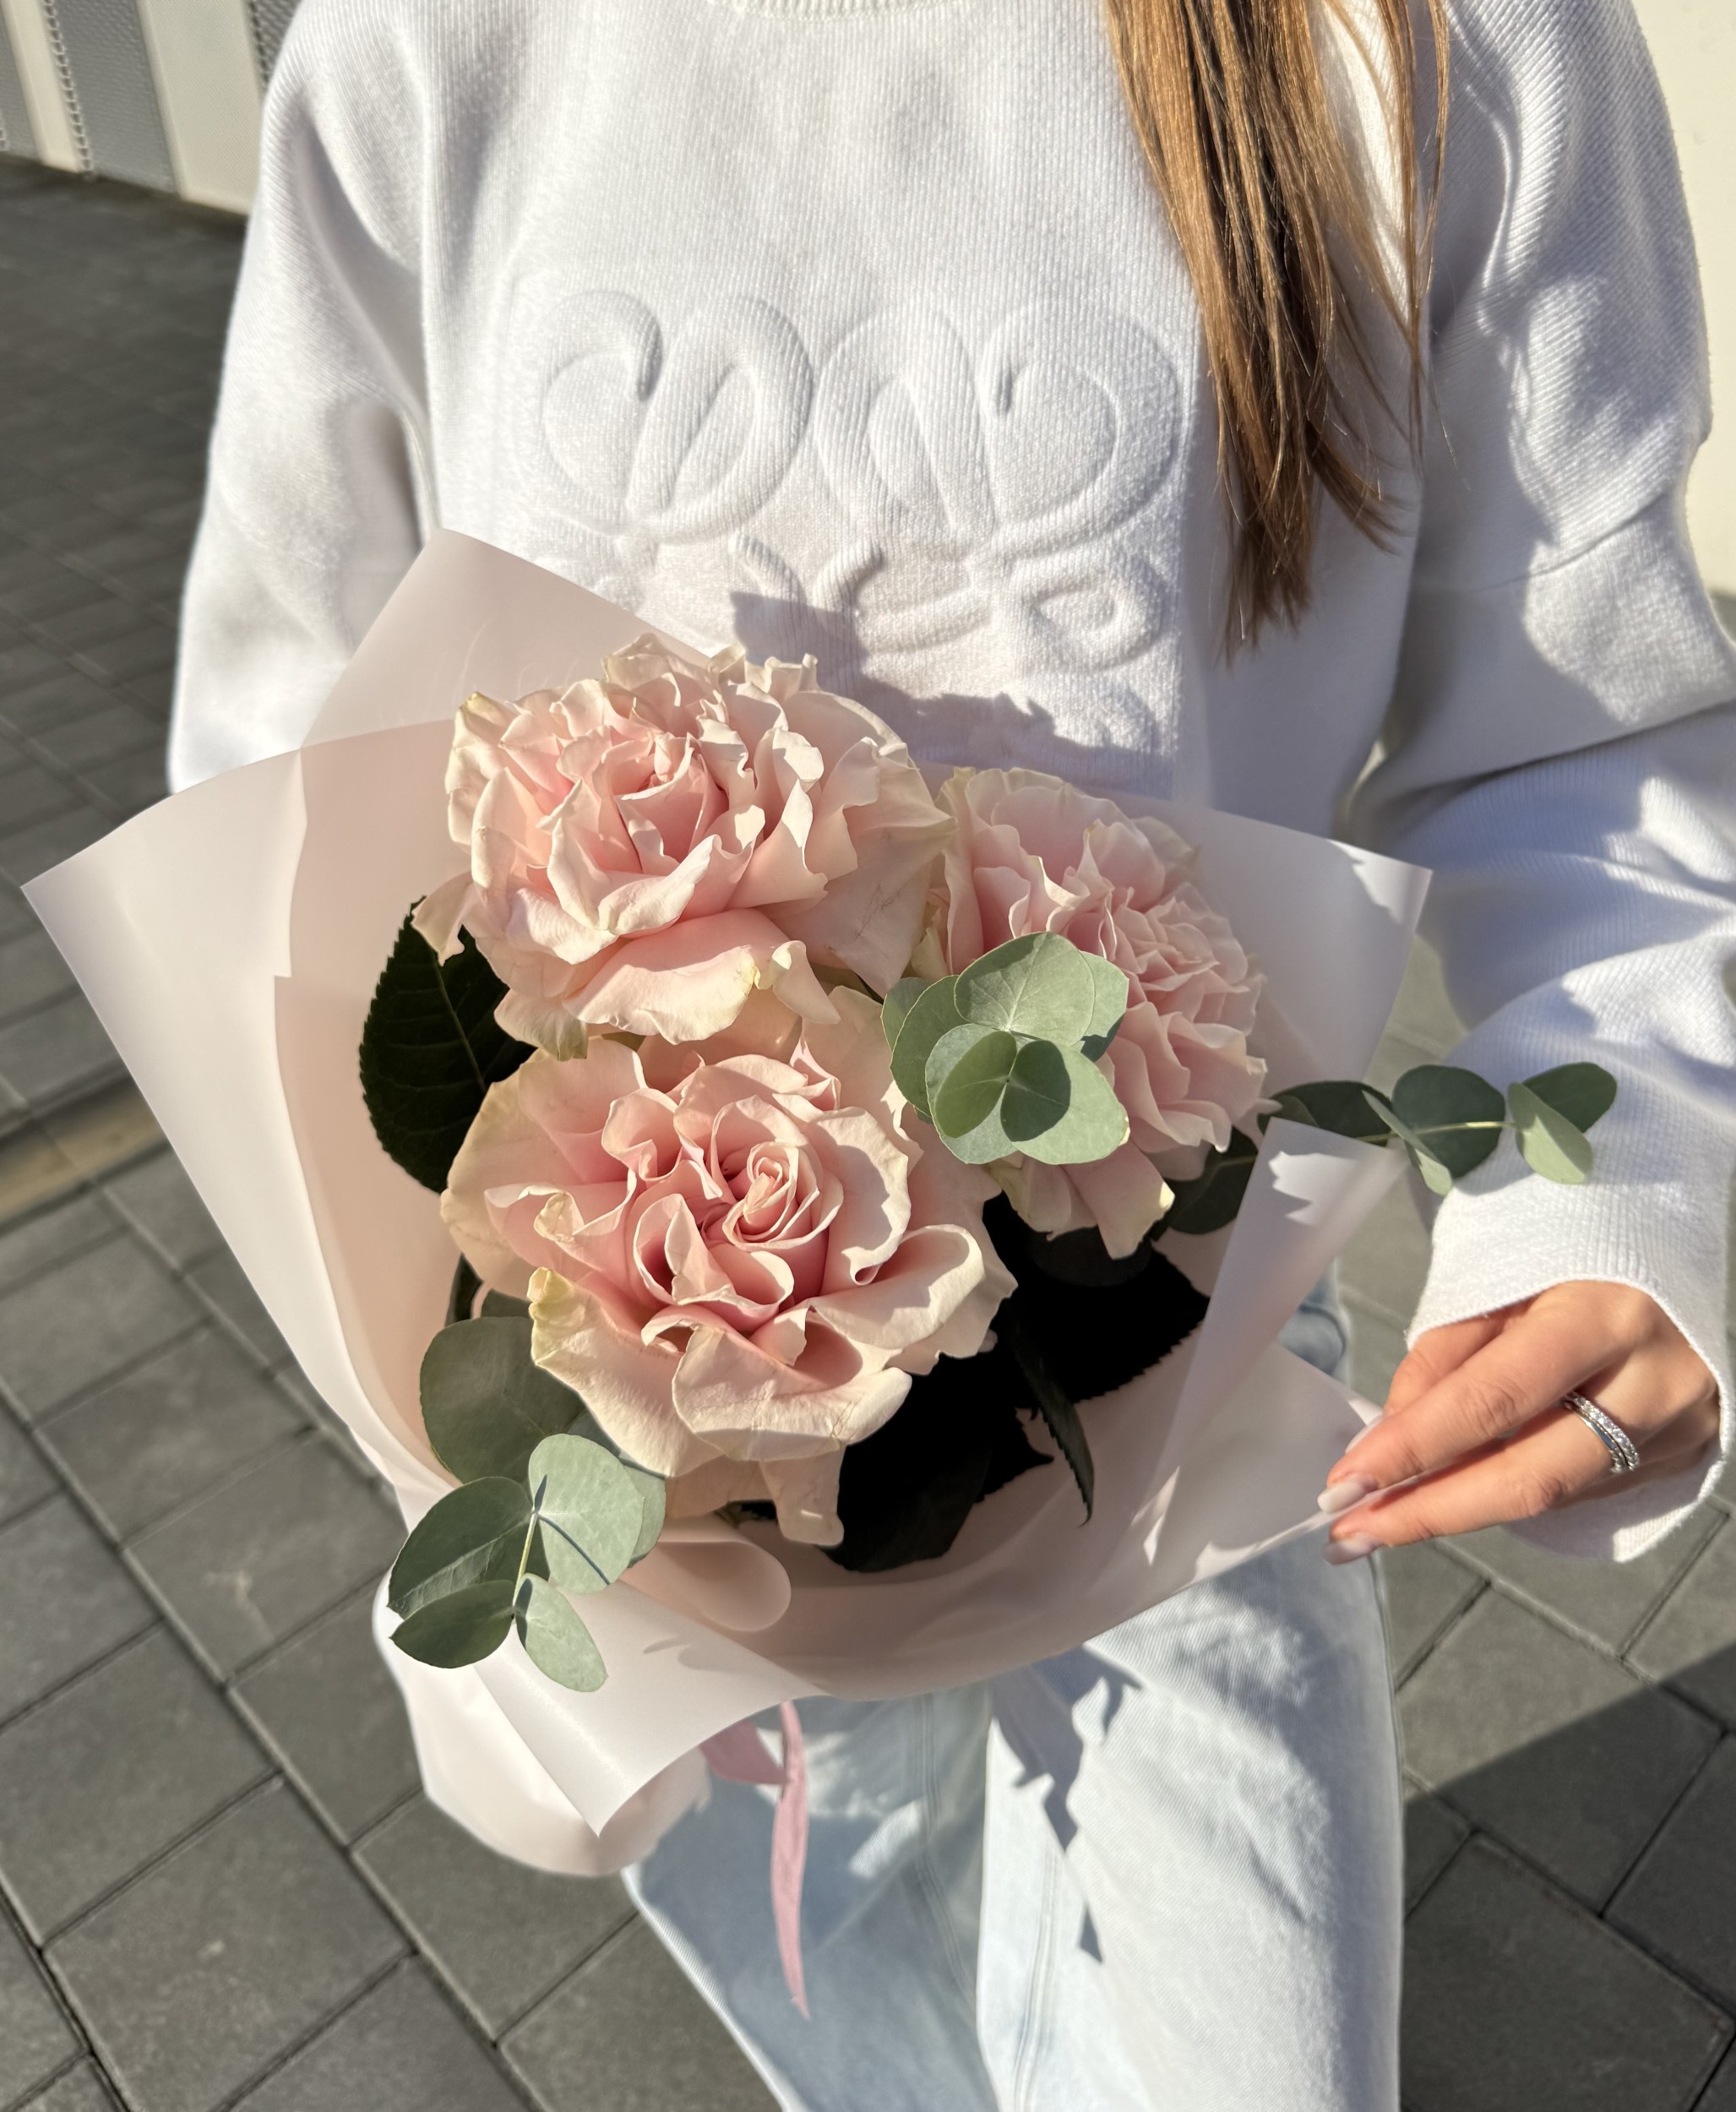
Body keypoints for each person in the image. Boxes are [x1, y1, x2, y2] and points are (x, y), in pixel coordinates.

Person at [170, 0, 1733, 2104]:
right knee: (853, 2009)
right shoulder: (430, 40)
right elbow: (285, 760)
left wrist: (1620, 1164)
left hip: (1192, 1391)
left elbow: (1584, 728)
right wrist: (453, 1437)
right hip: (662, 1441)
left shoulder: (1444, 40)